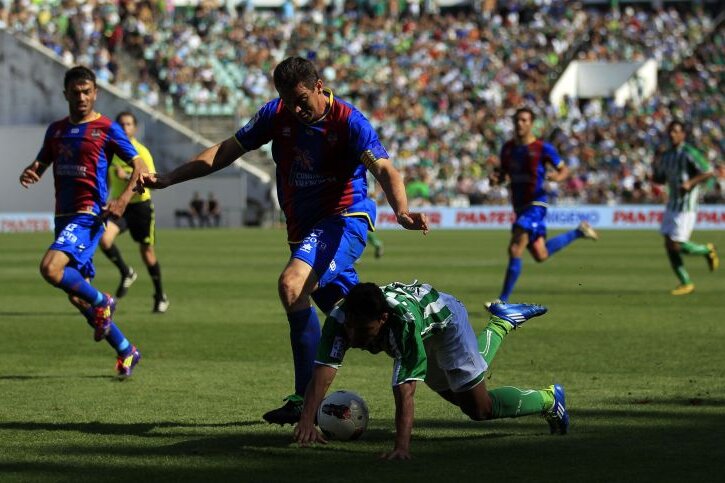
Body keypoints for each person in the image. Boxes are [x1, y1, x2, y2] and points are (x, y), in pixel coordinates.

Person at [138, 57, 428, 423]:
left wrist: (401, 212)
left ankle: (303, 402)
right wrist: (169, 178)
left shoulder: (348, 121)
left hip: (343, 220)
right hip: (302, 231)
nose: (296, 109)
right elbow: (226, 151)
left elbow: (384, 168)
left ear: (319, 86)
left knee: (292, 286)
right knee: (357, 322)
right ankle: (444, 357)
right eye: (288, 101)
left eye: (301, 100)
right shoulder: (276, 115)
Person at [294, 281, 569, 459]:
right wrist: (306, 421)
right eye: (351, 327)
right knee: (465, 401)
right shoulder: (339, 320)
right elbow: (323, 372)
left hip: (446, 323)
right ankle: (503, 321)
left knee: (481, 409)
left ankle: (549, 398)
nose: (353, 338)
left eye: (364, 330)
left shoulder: (403, 327)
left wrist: (401, 447)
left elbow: (405, 392)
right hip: (424, 330)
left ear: (383, 318)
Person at [18, 66, 145, 378]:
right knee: (77, 295)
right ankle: (126, 349)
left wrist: (122, 199)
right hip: (63, 216)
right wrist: (31, 171)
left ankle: (104, 300)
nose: (82, 97)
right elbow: (41, 162)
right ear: (66, 94)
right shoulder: (56, 130)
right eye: (76, 92)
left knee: (50, 268)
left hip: (89, 214)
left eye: (87, 92)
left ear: (95, 93)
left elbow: (139, 166)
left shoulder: (107, 128)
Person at [490, 107, 598, 302]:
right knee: (541, 254)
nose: (520, 123)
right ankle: (579, 232)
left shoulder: (543, 148)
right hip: (519, 205)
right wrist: (495, 179)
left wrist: (557, 177)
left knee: (515, 248)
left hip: (536, 204)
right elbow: (503, 174)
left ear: (531, 124)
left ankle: (502, 301)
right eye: (517, 120)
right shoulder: (507, 149)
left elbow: (564, 170)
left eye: (524, 120)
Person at [99, 111, 169, 313]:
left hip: (140, 207)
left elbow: (152, 180)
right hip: (120, 206)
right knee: (104, 239)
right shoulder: (112, 151)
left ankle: (160, 296)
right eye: (121, 124)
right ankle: (126, 272)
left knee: (147, 253)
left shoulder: (141, 152)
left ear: (135, 128)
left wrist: (127, 174)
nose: (125, 127)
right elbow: (108, 179)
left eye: (128, 124)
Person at [652, 120, 718, 295]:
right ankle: (686, 283)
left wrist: (690, 182)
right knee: (669, 244)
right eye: (670, 131)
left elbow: (708, 171)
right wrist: (654, 163)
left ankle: (707, 250)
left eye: (676, 131)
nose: (672, 135)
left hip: (686, 205)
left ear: (683, 134)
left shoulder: (689, 152)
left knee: (677, 244)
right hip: (672, 203)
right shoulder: (667, 156)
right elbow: (659, 179)